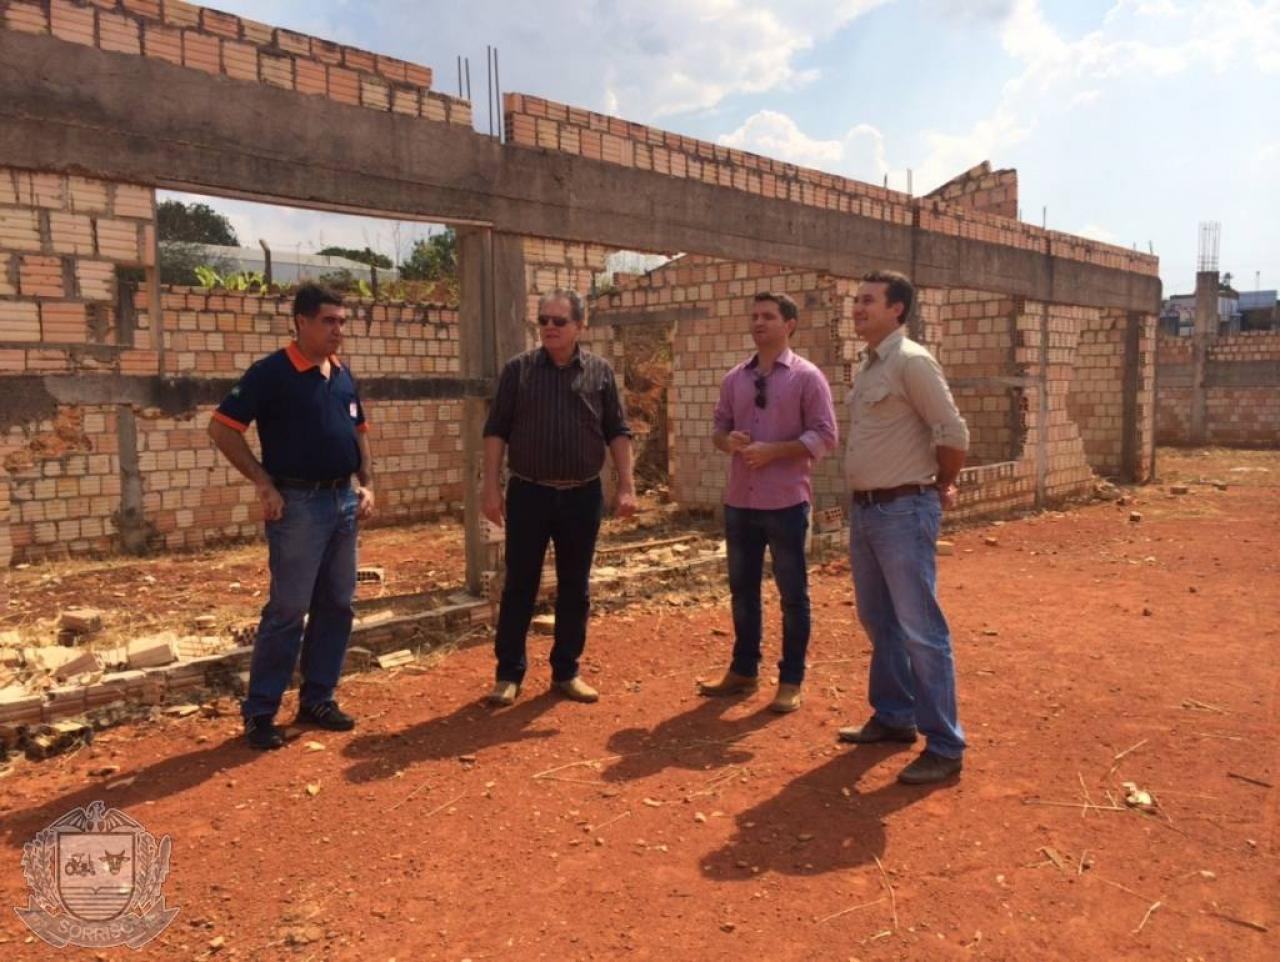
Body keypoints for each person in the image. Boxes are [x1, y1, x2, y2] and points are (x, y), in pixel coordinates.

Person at [208, 283, 375, 750]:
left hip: (343, 502)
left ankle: (318, 699)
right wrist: (263, 482)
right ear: (301, 322)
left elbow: (360, 432)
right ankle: (261, 713)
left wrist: (367, 483)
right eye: (328, 321)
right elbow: (222, 429)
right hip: (299, 506)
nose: (338, 330)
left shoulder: (341, 373)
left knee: (337, 604)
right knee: (288, 610)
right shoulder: (271, 373)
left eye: (342, 322)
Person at [837, 270, 969, 785]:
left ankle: (945, 744)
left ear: (897, 309)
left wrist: (941, 485)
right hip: (868, 511)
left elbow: (952, 432)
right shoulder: (871, 365)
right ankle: (894, 715)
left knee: (921, 630)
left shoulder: (912, 361)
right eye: (856, 300)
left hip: (903, 510)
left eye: (868, 300)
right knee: (879, 620)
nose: (857, 308)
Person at [481, 289, 636, 706]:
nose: (549, 327)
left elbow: (617, 431)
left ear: (580, 326)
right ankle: (508, 674)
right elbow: (496, 430)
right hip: (529, 493)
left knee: (574, 586)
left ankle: (566, 671)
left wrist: (626, 485)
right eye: (544, 320)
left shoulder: (600, 373)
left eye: (559, 321)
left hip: (582, 496)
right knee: (520, 584)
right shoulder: (518, 372)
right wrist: (490, 486)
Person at [700, 292, 837, 713]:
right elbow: (718, 429)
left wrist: (774, 451)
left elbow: (825, 435)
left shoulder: (807, 378)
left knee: (792, 594)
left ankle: (791, 679)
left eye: (769, 316)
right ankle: (744, 670)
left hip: (786, 503)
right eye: (755, 316)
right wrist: (729, 441)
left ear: (789, 324)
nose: (759, 323)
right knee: (742, 592)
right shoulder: (735, 379)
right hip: (740, 502)